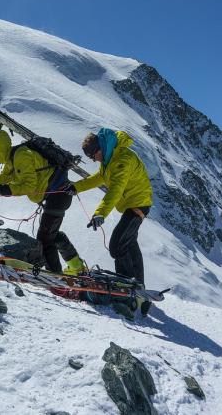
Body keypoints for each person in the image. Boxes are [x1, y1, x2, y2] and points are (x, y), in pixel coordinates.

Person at [0, 129, 87, 275]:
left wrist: (1, 190)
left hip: (58, 196)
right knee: (52, 235)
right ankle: (77, 267)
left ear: (0, 148)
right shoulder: (11, 161)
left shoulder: (22, 155)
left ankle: (56, 277)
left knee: (44, 240)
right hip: (57, 196)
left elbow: (28, 187)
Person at [65, 128, 153, 312]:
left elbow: (115, 190)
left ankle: (127, 289)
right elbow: (99, 178)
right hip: (133, 204)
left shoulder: (122, 159)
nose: (93, 159)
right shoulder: (109, 158)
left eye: (92, 155)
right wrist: (76, 187)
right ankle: (137, 288)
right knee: (128, 244)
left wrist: (100, 214)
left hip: (137, 204)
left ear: (100, 148)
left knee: (117, 246)